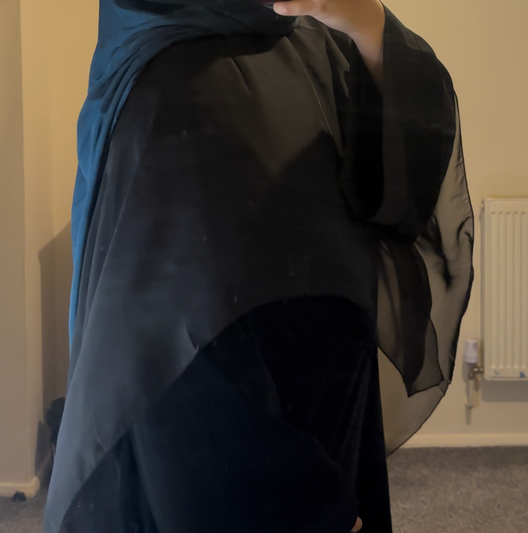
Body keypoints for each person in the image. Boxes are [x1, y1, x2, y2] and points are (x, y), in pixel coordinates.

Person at [44, 1, 474, 532]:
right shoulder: (169, 83)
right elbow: (174, 365)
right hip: (256, 464)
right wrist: (308, 507)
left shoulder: (304, 35)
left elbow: (398, 188)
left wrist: (367, 24)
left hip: (329, 394)